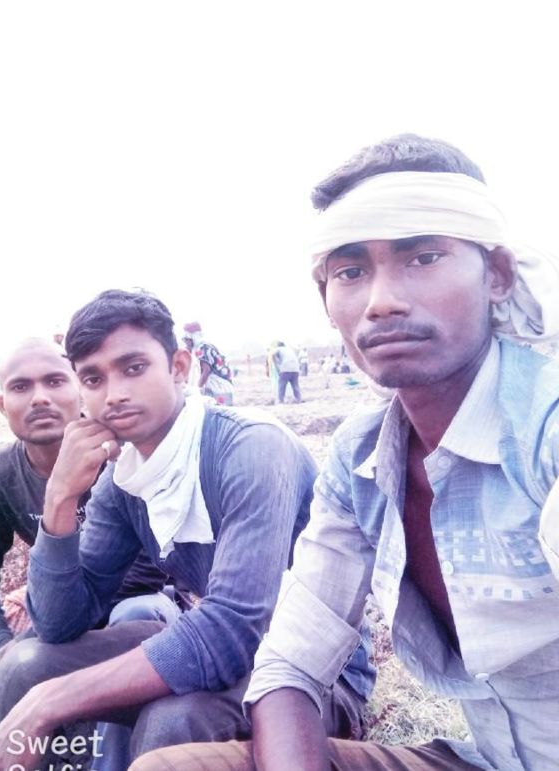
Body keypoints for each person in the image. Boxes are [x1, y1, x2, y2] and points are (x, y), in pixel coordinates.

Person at [131, 134, 559, 771]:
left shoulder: (543, 430)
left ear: (496, 274)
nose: (381, 301)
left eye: (424, 257)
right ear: (327, 301)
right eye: (351, 272)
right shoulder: (361, 460)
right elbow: (289, 666)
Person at [0, 290, 374, 770]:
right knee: (24, 668)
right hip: (217, 648)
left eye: (133, 368)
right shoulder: (125, 477)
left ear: (178, 367)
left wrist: (52, 701)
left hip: (313, 674)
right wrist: (60, 499)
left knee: (173, 720)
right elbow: (60, 623)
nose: (114, 394)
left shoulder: (251, 447)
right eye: (93, 378)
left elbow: (234, 629)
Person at [0, 339, 173, 733]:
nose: (39, 398)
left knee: (136, 614)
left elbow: (143, 575)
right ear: (2, 404)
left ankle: (107, 751)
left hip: (123, 613)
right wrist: (0, 648)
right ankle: (6, 744)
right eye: (21, 387)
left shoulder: (126, 459)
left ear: (80, 390)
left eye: (55, 381)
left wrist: (31, 637)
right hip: (49, 614)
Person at [183, 321, 234, 405]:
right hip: (216, 386)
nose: (185, 342)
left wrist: (196, 389)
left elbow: (206, 371)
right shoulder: (198, 348)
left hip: (219, 387)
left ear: (193, 338)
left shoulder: (203, 348)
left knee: (218, 410)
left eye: (187, 339)